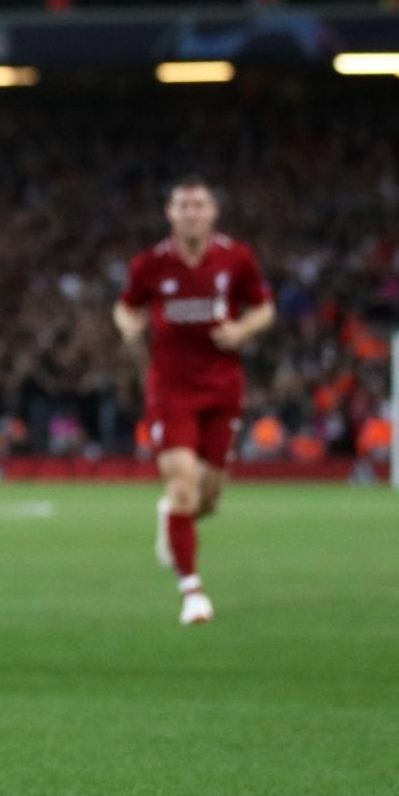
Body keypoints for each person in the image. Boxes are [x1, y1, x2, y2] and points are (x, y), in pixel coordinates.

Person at [113, 177, 275, 625]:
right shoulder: (150, 264)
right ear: (170, 213)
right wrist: (129, 325)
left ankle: (171, 515)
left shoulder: (236, 258)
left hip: (223, 388)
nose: (191, 212)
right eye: (183, 205)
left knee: (208, 499)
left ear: (213, 212)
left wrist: (241, 331)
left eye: (199, 205)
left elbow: (263, 308)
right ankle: (193, 592)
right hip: (171, 389)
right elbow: (126, 305)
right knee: (183, 483)